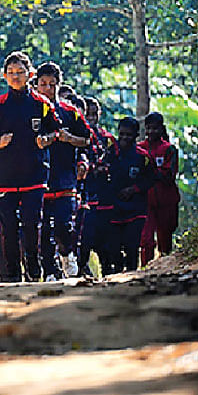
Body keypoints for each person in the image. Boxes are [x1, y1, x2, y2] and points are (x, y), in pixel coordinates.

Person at [0, 51, 62, 281]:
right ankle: (13, 274)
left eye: (20, 72)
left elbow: (56, 130)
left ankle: (34, 271)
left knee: (31, 224)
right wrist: (0, 143)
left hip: (34, 175)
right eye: (11, 73)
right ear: (4, 76)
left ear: (30, 74)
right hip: (5, 177)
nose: (15, 77)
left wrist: (46, 139)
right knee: (7, 228)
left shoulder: (41, 104)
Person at [34, 63, 92, 278]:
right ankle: (49, 269)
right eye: (43, 84)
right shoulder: (31, 109)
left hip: (65, 178)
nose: (48, 89)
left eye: (52, 84)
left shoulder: (70, 112)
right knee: (42, 229)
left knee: (63, 225)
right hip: (38, 178)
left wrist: (69, 139)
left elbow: (86, 139)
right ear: (36, 85)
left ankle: (67, 255)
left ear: (59, 84)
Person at [93, 116, 155, 275]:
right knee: (113, 247)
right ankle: (117, 275)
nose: (125, 138)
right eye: (122, 134)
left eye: (129, 135)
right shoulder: (110, 153)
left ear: (136, 135)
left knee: (132, 245)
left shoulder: (143, 157)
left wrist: (133, 189)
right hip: (114, 208)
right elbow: (98, 173)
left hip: (136, 209)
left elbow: (151, 179)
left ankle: (132, 276)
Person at [76, 96, 115, 277]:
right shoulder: (79, 136)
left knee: (106, 244)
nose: (91, 118)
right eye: (88, 115)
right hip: (82, 194)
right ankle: (81, 272)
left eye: (94, 114)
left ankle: (108, 276)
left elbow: (116, 162)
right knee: (82, 239)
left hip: (104, 197)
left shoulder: (107, 138)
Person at [139, 111, 181, 267]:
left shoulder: (169, 149)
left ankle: (164, 270)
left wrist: (151, 171)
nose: (151, 132)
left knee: (165, 239)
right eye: (148, 128)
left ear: (161, 128)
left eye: (155, 128)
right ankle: (144, 270)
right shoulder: (139, 149)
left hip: (166, 201)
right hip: (146, 202)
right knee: (146, 240)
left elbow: (170, 176)